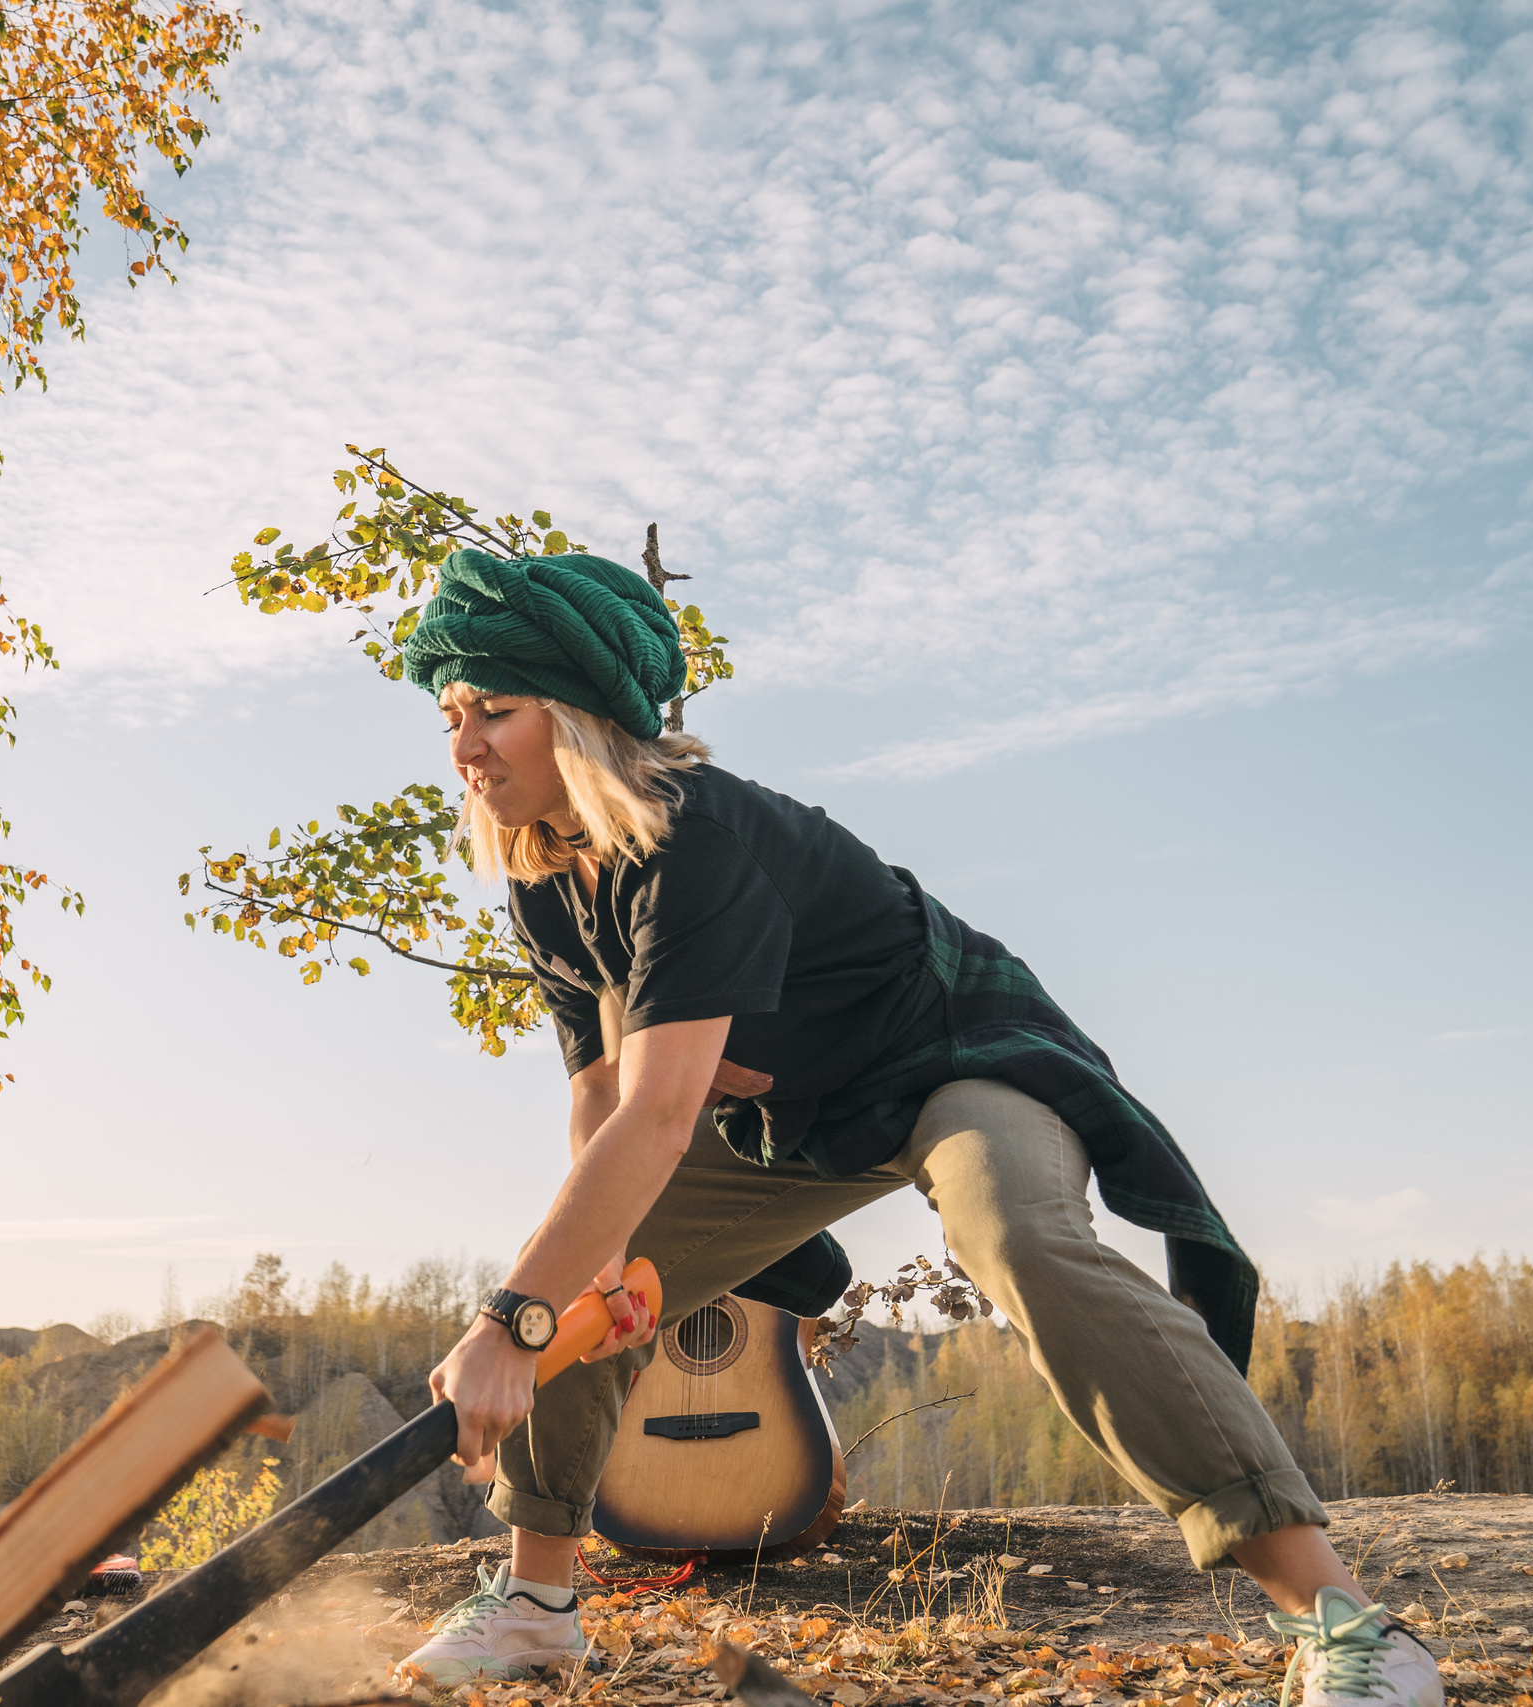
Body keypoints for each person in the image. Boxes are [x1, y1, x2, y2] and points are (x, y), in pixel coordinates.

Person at [386, 548, 1441, 1707]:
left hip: (948, 1057)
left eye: (495, 710)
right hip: (795, 1119)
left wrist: (510, 1321)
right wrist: (567, 1293)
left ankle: (1349, 1628)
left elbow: (659, 1108)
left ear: (580, 720)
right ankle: (537, 1607)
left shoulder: (694, 841)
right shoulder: (548, 875)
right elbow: (598, 1098)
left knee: (1022, 1243)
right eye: (450, 715)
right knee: (584, 1277)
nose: (464, 744)